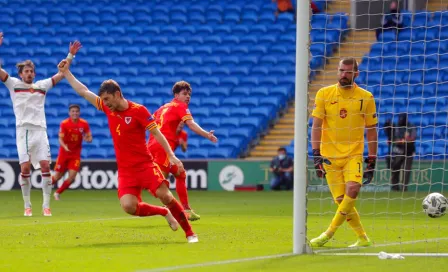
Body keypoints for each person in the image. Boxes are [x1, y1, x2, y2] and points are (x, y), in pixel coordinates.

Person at [57, 57, 198, 243]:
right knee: (129, 206)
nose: (104, 103)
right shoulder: (108, 109)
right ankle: (164, 213)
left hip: (145, 165)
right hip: (126, 170)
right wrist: (66, 73)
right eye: (103, 100)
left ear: (117, 94)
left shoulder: (139, 111)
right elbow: (84, 92)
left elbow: (157, 134)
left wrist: (171, 156)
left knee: (165, 195)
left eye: (107, 99)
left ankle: (190, 233)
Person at [0, 33, 80, 217]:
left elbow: (61, 74)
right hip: (23, 131)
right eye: (26, 71)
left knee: (45, 166)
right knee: (25, 168)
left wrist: (70, 56)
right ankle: (27, 205)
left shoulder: (41, 86)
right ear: (21, 74)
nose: (29, 73)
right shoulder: (13, 84)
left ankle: (46, 205)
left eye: (31, 71)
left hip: (40, 132)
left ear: (34, 74)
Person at [310, 57, 378, 248]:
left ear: (356, 73)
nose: (344, 75)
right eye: (341, 70)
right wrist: (316, 154)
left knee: (353, 189)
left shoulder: (366, 97)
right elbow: (316, 126)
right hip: (329, 156)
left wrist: (372, 158)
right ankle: (363, 238)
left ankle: (328, 233)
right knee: (341, 201)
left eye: (348, 71)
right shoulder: (324, 94)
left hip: (353, 154)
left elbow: (371, 129)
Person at [147, 81, 218, 221]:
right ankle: (173, 209)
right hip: (163, 147)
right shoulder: (180, 106)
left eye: (189, 94)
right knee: (159, 183)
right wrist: (207, 135)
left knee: (180, 173)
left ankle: (184, 209)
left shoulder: (162, 108)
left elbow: (150, 125)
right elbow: (191, 124)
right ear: (176, 95)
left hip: (153, 145)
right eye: (184, 94)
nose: (188, 97)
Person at [52, 104, 92, 200]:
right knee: (58, 176)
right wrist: (64, 146)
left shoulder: (84, 124)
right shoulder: (64, 123)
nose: (75, 113)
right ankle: (44, 188)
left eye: (76, 111)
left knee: (72, 176)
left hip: (75, 154)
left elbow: (89, 137)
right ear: (69, 113)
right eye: (73, 111)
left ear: (79, 112)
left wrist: (88, 139)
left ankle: (57, 193)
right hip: (64, 153)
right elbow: (60, 139)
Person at [388, 113, 416, 192]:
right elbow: (393, 139)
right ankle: (395, 187)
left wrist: (405, 140)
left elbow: (413, 138)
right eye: (399, 118)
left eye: (402, 118)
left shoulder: (411, 126)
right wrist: (402, 141)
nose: (400, 120)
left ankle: (404, 188)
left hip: (409, 151)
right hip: (398, 150)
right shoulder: (396, 126)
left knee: (406, 170)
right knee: (395, 168)